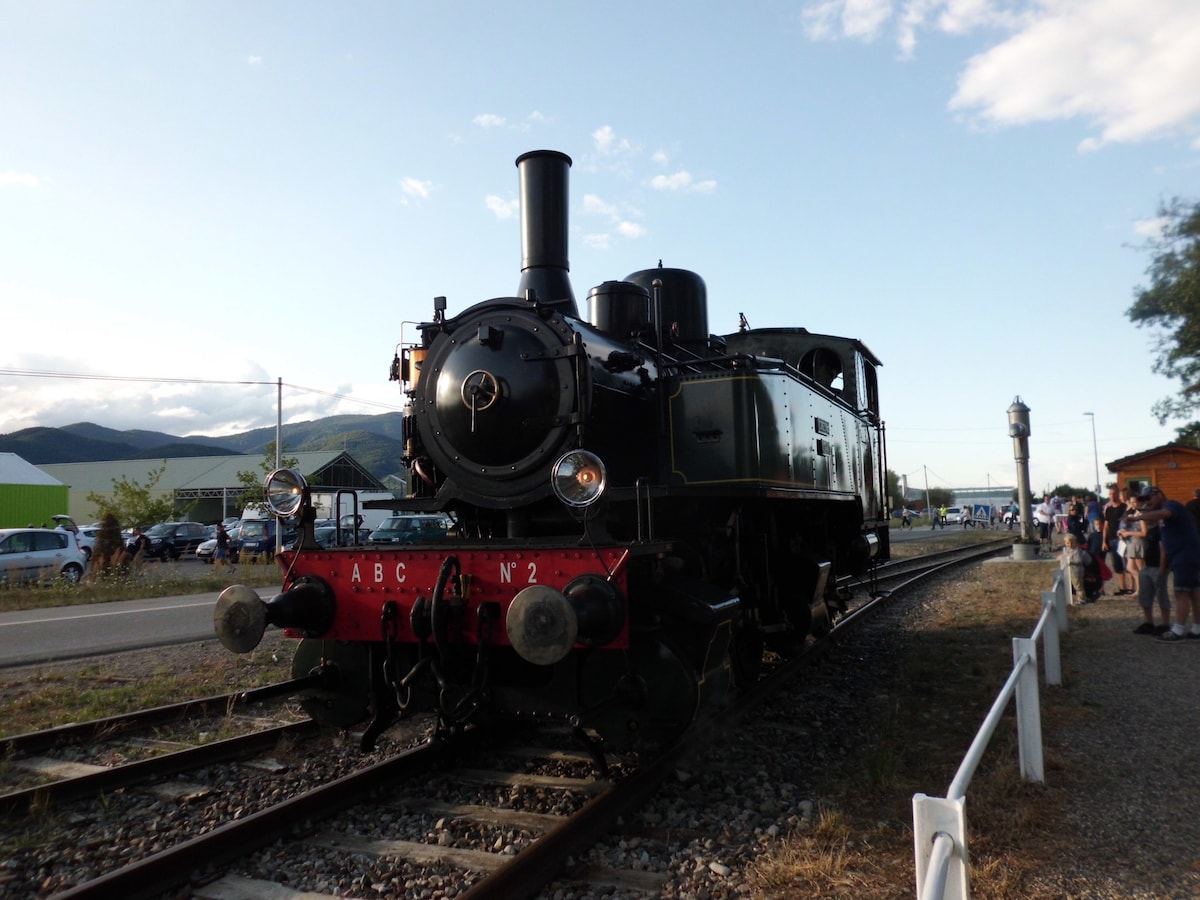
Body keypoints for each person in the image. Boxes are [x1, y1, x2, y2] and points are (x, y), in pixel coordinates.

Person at [1131, 485, 1200, 644]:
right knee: (1194, 592)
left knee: (1181, 592)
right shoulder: (1160, 515)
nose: (1147, 502)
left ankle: (1178, 629)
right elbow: (1152, 520)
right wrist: (1144, 510)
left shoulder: (1171, 505)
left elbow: (1164, 513)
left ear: (1159, 494)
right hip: (1184, 555)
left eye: (1149, 498)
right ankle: (1197, 628)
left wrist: (1138, 517)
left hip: (1185, 555)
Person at [1123, 496, 1170, 634]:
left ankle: (1165, 623)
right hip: (1147, 566)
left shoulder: (1161, 531)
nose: (1144, 517)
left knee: (1162, 595)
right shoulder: (1149, 531)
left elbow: (1163, 551)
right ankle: (1149, 622)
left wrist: (1162, 569)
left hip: (1158, 567)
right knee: (1145, 596)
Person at [1101, 485, 1132, 596]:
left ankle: (1132, 588)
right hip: (1112, 539)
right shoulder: (1108, 509)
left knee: (1128, 564)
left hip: (1124, 539)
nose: (1112, 496)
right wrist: (1104, 541)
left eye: (1114, 494)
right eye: (1110, 494)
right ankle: (1123, 587)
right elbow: (1106, 525)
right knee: (1117, 564)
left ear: (1118, 494)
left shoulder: (1124, 507)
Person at [1059, 533, 1093, 605]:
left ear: (1076, 543)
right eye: (1068, 543)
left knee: (1078, 586)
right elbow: (1063, 557)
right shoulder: (1066, 550)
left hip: (1076, 572)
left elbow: (1078, 560)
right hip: (1069, 571)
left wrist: (1069, 560)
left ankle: (1082, 599)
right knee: (1070, 585)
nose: (1070, 545)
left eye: (1072, 543)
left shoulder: (1077, 551)